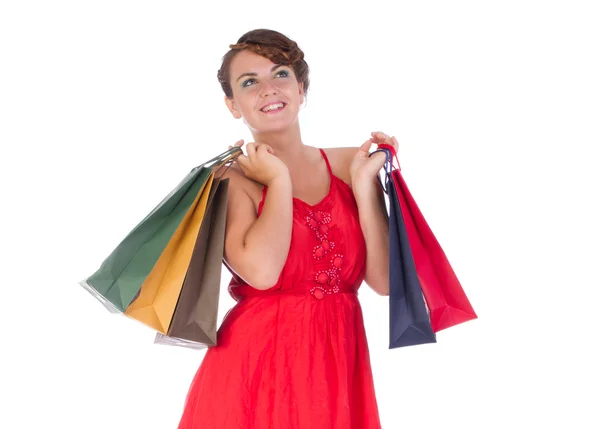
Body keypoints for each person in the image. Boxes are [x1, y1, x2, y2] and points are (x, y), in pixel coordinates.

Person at [177, 28, 398, 429]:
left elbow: (382, 282)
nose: (268, 89)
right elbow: (262, 274)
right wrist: (278, 181)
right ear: (233, 105)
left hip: (337, 362)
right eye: (249, 82)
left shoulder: (351, 164)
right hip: (256, 365)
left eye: (280, 74)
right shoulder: (231, 180)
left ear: (301, 89)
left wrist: (365, 188)